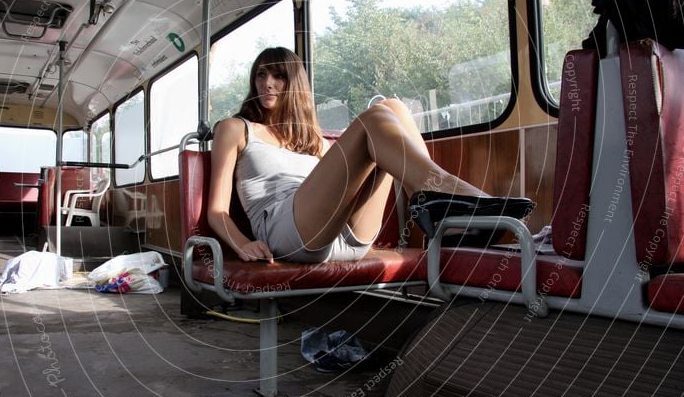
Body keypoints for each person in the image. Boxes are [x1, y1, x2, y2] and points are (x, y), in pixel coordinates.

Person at [207, 47, 490, 264]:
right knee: (376, 116)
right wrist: (242, 244)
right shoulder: (235, 129)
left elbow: (341, 189)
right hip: (287, 232)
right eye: (261, 74)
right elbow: (216, 210)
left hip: (346, 238)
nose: (267, 83)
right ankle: (456, 199)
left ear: (294, 84)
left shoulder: (312, 140)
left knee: (394, 108)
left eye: (279, 76)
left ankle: (442, 206)